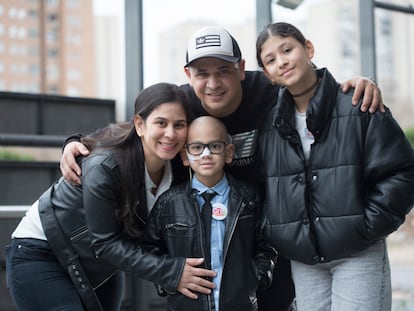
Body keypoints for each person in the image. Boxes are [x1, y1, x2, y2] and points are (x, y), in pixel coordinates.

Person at [59, 26, 384, 311]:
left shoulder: (272, 93)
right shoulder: (184, 103)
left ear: (241, 69)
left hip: (271, 232)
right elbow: (136, 129)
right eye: (202, 73)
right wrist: (76, 142)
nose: (213, 83)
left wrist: (356, 85)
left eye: (223, 71)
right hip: (207, 236)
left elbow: (311, 90)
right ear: (188, 76)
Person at [5, 83, 217, 311]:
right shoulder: (106, 165)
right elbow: (105, 242)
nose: (170, 134)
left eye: (179, 125)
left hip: (101, 263)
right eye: (161, 123)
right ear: (140, 124)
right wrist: (171, 272)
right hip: (43, 253)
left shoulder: (179, 167)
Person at [255, 22, 414, 311]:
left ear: (308, 49)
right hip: (304, 260)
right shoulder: (270, 127)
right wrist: (279, 231)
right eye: (271, 60)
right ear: (268, 74)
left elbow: (402, 170)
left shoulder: (358, 104)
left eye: (287, 49)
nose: (282, 62)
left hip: (357, 251)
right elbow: (265, 188)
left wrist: (366, 226)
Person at [144, 116, 277, 311]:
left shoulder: (249, 198)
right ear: (184, 156)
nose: (205, 154)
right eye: (196, 147)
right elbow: (149, 249)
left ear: (229, 152)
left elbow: (267, 243)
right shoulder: (168, 203)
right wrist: (170, 279)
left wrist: (256, 277)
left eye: (214, 146)